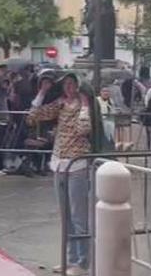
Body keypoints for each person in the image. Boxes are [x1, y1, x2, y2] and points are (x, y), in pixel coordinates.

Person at [28, 74, 92, 275]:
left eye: (73, 83)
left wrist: (84, 106)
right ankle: (69, 259)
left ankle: (82, 263)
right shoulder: (60, 104)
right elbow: (33, 116)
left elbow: (84, 129)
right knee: (66, 217)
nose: (70, 87)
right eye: (66, 84)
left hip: (77, 164)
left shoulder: (85, 106)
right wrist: (43, 91)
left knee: (79, 217)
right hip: (59, 163)